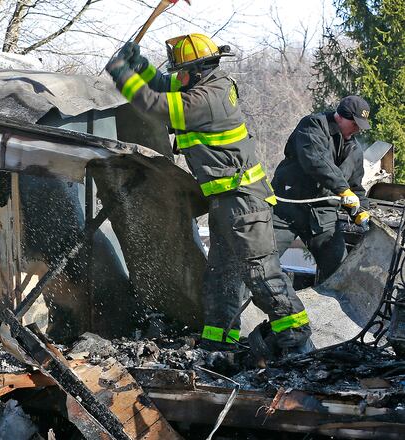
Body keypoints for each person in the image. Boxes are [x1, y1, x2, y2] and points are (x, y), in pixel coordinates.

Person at [105, 33, 312, 358]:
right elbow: (161, 84)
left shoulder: (204, 100)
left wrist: (120, 73)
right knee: (220, 281)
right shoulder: (206, 85)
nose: (177, 77)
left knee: (262, 276)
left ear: (197, 70)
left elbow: (152, 103)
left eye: (181, 72)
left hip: (244, 202)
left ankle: (298, 345)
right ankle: (219, 347)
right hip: (225, 203)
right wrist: (139, 64)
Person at [271, 96, 372, 283]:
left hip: (323, 216)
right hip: (287, 209)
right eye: (355, 123)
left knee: (338, 272)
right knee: (261, 260)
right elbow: (316, 161)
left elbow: (355, 187)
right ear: (340, 116)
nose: (358, 129)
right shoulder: (313, 125)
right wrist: (343, 190)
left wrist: (362, 212)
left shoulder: (355, 151)